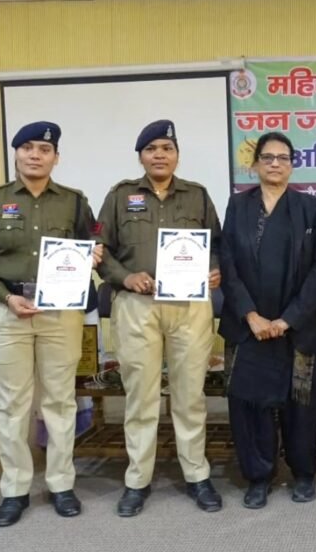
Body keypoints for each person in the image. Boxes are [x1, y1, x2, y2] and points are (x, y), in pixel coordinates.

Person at [0, 121, 99, 527]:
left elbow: (93, 244)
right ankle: (15, 488)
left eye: (44, 149)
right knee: (12, 403)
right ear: (16, 153)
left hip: (60, 312)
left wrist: (95, 253)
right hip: (8, 309)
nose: (35, 155)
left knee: (60, 400)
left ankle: (61, 484)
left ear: (56, 157)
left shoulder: (74, 202)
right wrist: (5, 296)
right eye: (27, 148)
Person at [96, 119, 223, 516]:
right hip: (137, 306)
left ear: (177, 155)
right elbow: (99, 249)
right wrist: (124, 277)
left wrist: (214, 269)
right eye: (151, 149)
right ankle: (138, 479)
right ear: (141, 156)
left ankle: (197, 475)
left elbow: (217, 245)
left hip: (189, 307)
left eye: (167, 148)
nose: (159, 155)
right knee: (141, 396)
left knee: (190, 395)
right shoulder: (120, 196)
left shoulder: (197, 196)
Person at [219, 132, 316, 508]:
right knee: (251, 403)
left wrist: (288, 319)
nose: (275, 164)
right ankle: (258, 475)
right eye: (267, 157)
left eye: (283, 157)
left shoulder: (312, 209)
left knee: (302, 403)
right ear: (255, 165)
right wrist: (250, 314)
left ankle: (303, 473)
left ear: (293, 165)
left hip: (296, 324)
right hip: (249, 324)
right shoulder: (238, 206)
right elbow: (227, 263)